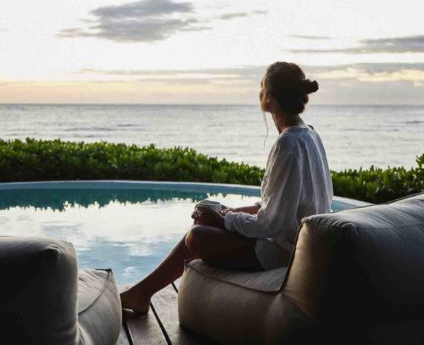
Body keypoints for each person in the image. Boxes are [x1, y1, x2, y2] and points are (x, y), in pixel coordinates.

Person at [120, 61, 334, 316]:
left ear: (269, 97)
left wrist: (226, 218)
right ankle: (142, 293)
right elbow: (284, 206)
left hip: (283, 252)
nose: (260, 93)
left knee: (196, 237)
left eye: (262, 87)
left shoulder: (288, 144)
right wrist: (225, 212)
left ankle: (142, 293)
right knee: (206, 220)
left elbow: (272, 225)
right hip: (293, 240)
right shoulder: (309, 134)